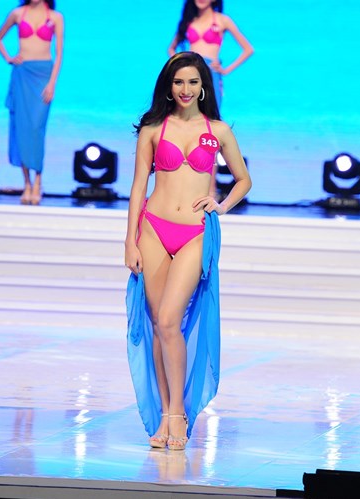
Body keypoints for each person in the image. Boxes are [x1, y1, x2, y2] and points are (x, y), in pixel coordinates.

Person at [124, 52, 251, 451]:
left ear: (203, 87)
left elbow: (244, 179)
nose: (185, 89)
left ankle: (178, 412)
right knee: (159, 325)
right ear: (169, 86)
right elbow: (138, 187)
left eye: (193, 82)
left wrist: (221, 205)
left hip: (195, 232)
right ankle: (165, 415)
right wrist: (129, 240)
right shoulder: (152, 130)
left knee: (169, 318)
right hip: (153, 229)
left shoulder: (218, 131)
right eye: (178, 82)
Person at [168, 0, 253, 201]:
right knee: (185, 126)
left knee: (208, 131)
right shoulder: (188, 21)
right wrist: (180, 65)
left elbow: (248, 49)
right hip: (191, 74)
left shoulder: (222, 20)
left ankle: (210, 190)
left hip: (211, 76)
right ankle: (183, 185)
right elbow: (171, 49)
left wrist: (225, 69)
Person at [0, 0, 64, 205]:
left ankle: (38, 181)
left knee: (36, 128)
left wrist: (52, 83)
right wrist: (8, 58)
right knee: (22, 128)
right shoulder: (18, 13)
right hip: (22, 74)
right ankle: (26, 183)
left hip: (43, 75)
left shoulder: (55, 17)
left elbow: (59, 53)